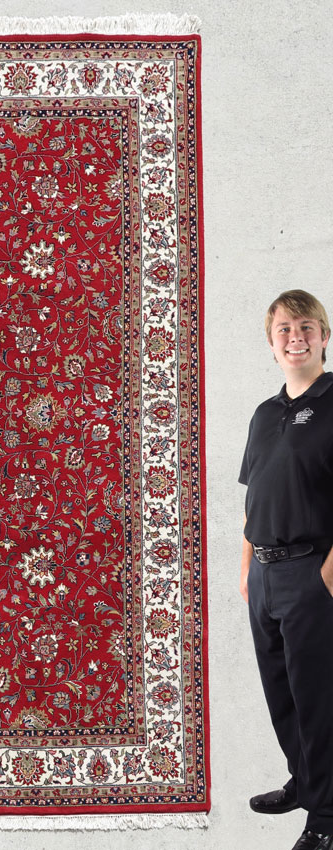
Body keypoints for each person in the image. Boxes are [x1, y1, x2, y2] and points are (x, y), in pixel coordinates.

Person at [239, 289, 333, 850]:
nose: (295, 338)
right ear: (272, 344)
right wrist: (246, 567)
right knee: (281, 690)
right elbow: (254, 496)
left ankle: (326, 817)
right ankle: (304, 781)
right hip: (264, 575)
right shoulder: (264, 413)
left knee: (317, 696)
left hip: (310, 572)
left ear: (323, 337)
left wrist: (329, 572)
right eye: (284, 330)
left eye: (305, 327)